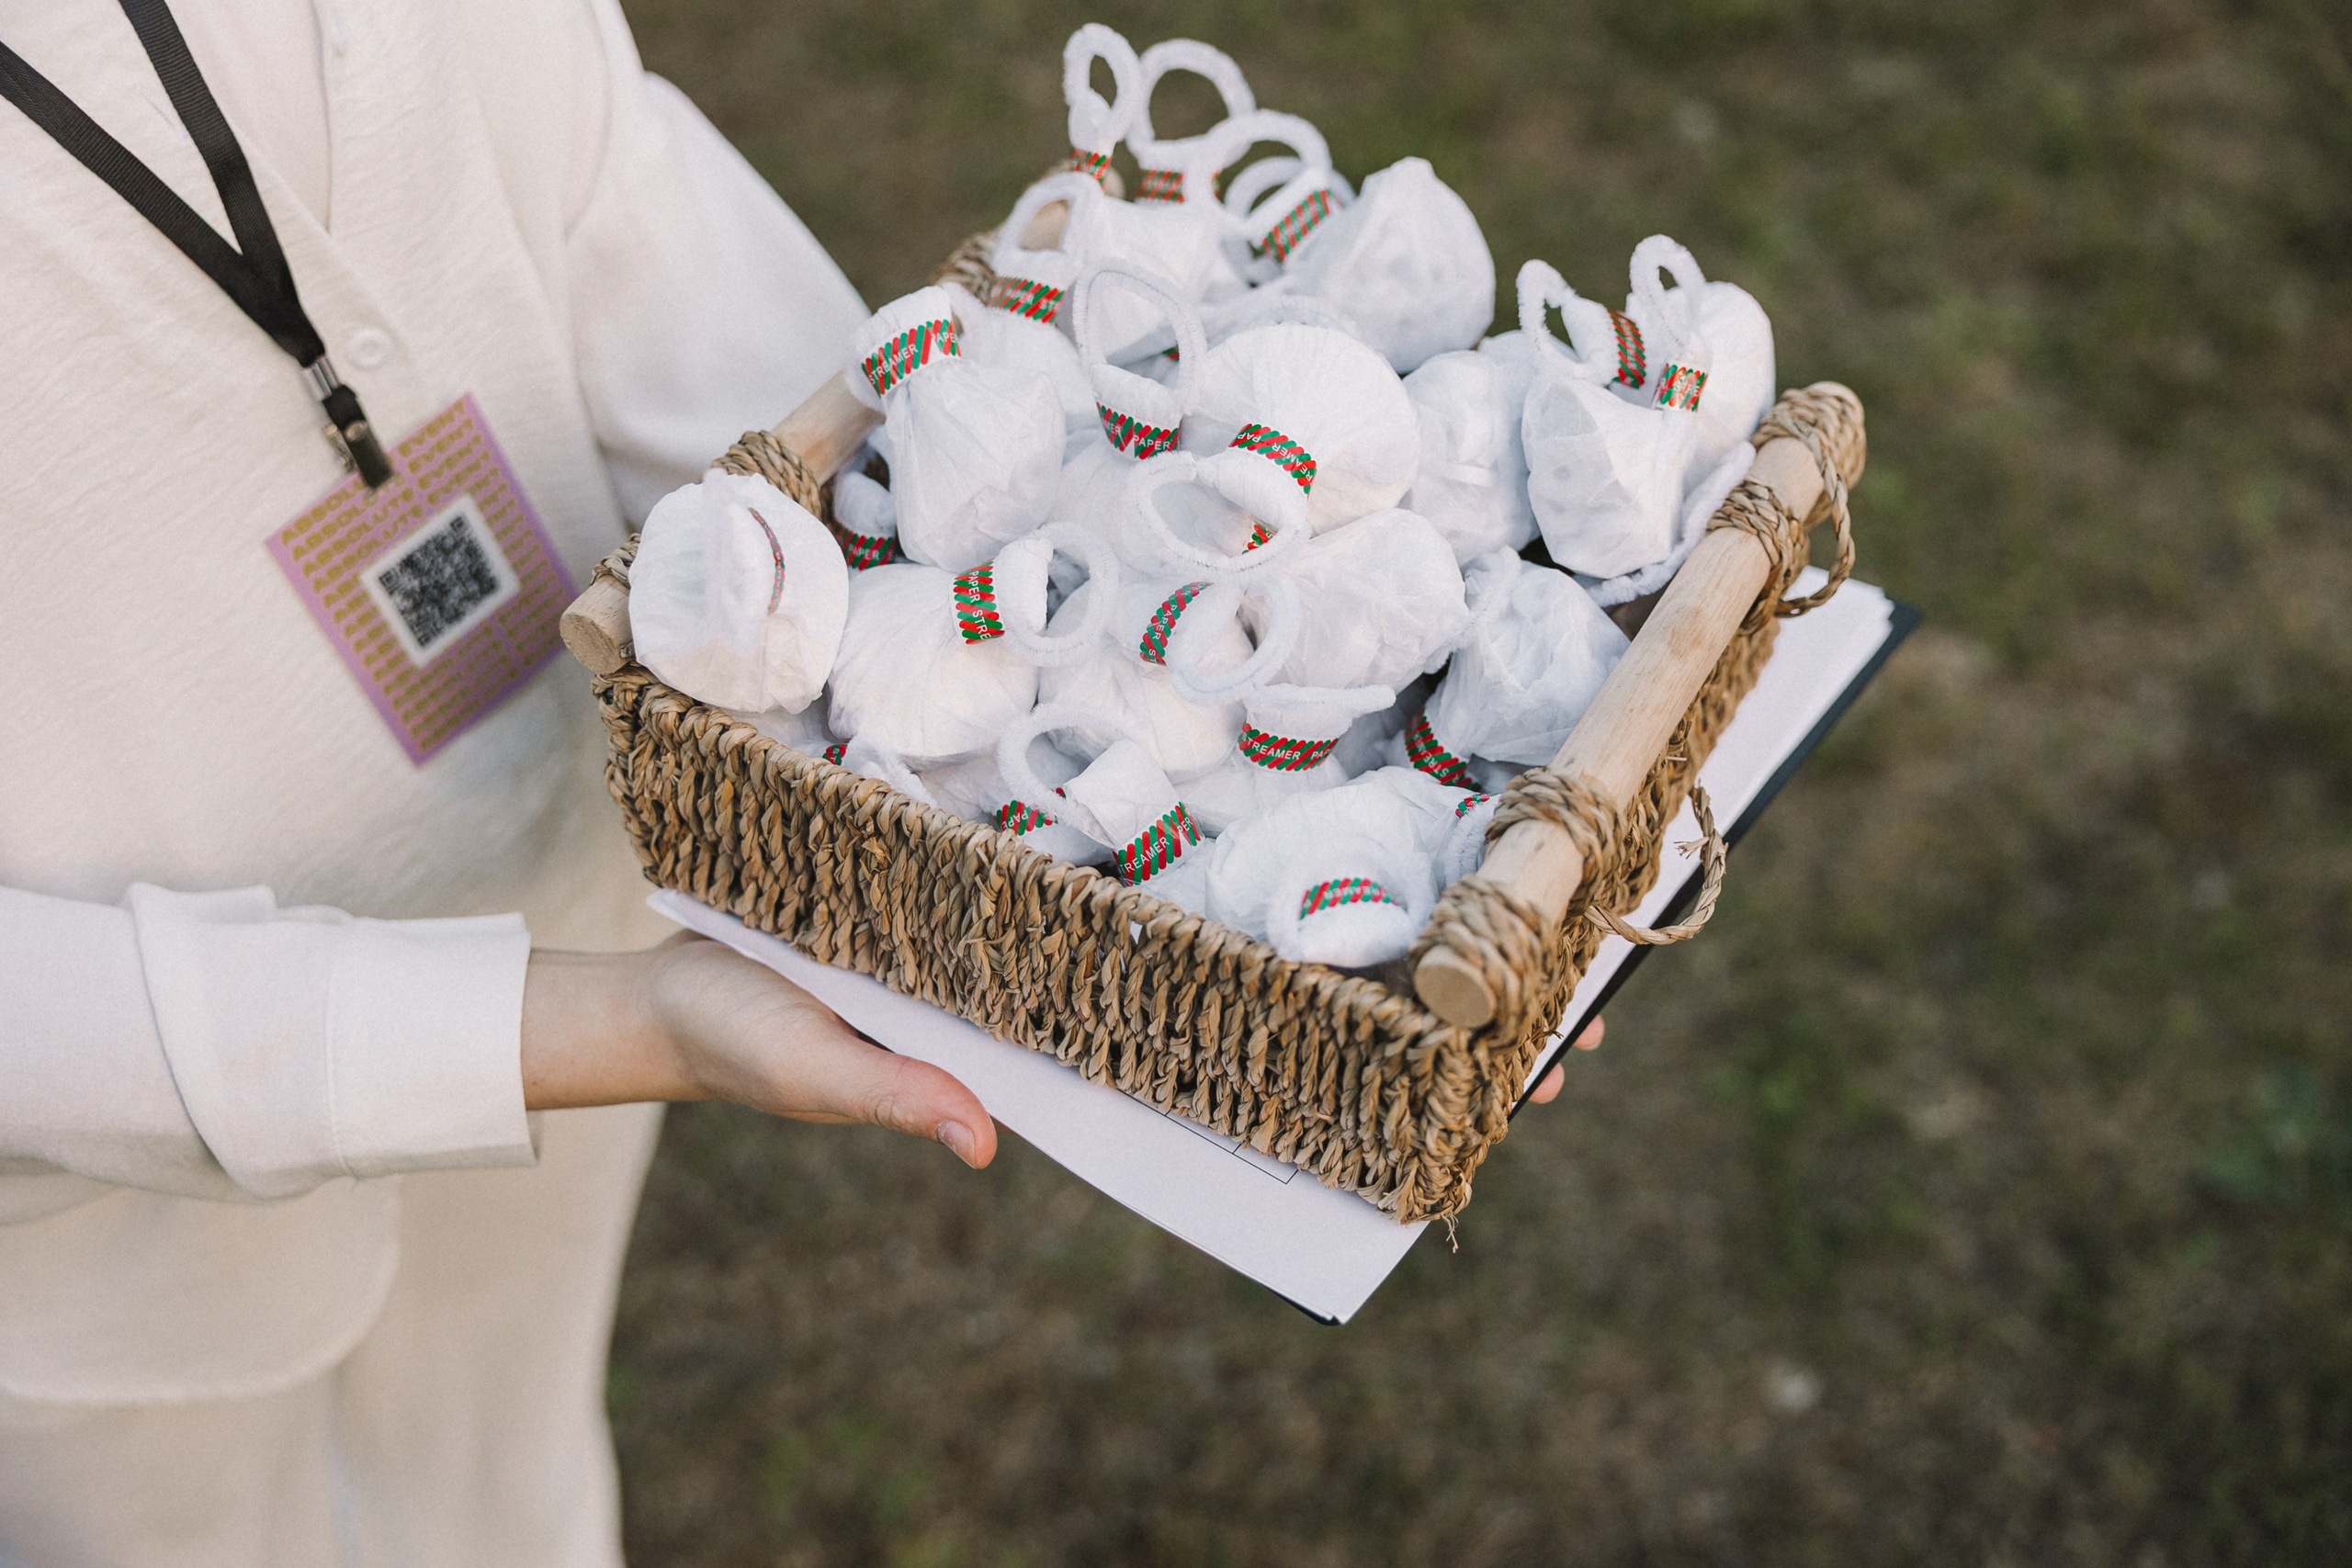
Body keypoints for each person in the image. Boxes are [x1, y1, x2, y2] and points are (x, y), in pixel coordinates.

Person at [0, 1, 1593, 1562]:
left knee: (508, 1478)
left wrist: (1032, 638)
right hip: (102, 1227)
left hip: (579, 907)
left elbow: (646, 253)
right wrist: (604, 1024)